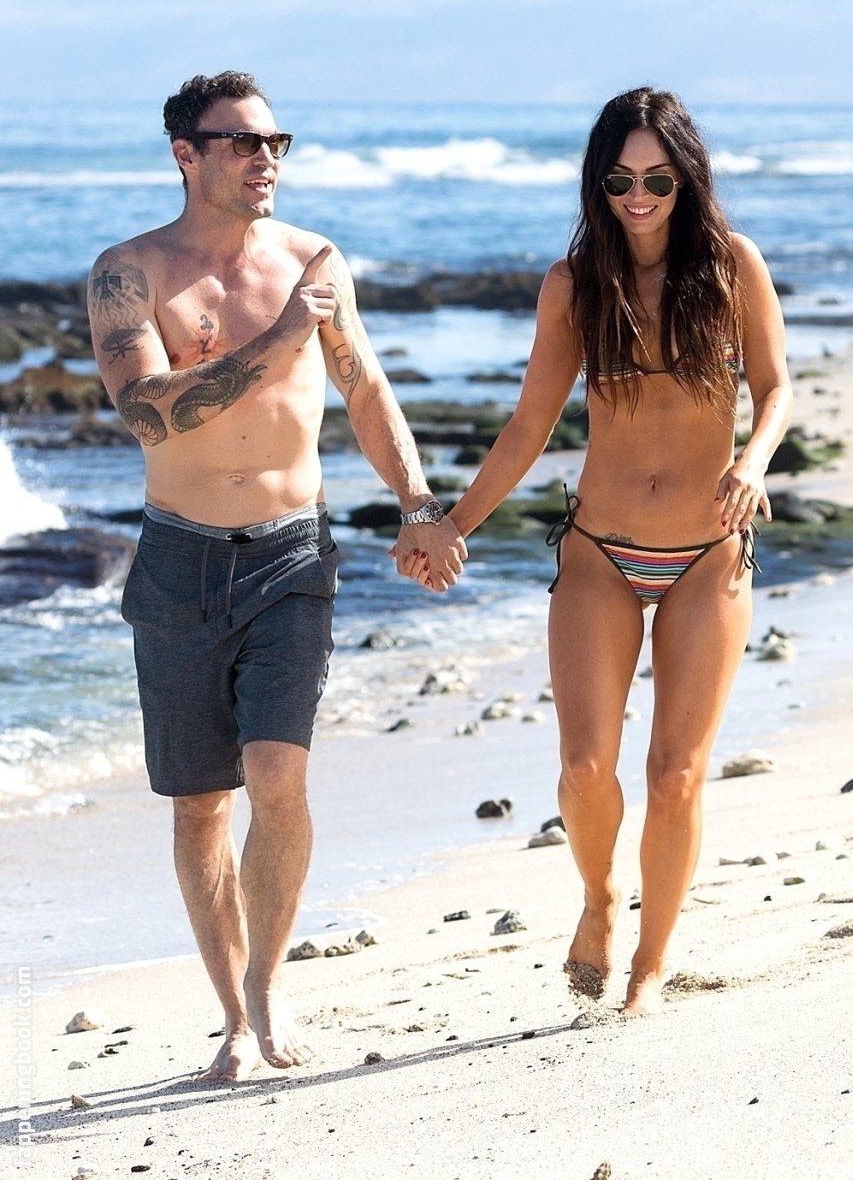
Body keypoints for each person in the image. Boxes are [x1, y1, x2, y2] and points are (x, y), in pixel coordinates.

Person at [88, 71, 466, 1080]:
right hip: (177, 558)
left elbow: (365, 387)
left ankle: (267, 986)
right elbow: (148, 409)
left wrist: (418, 503)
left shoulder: (314, 261)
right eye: (244, 142)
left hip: (293, 551)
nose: (267, 159)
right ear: (186, 154)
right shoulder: (128, 273)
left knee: (277, 773)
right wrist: (285, 334)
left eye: (276, 142)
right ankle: (229, 1015)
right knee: (201, 803)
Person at [416, 87, 792, 1015]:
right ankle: (597, 900)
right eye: (619, 180)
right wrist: (452, 524)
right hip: (599, 554)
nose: (638, 196)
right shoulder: (573, 284)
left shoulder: (733, 265)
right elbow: (527, 426)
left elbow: (776, 386)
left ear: (686, 180)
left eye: (657, 179)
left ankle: (649, 969)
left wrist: (750, 462)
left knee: (676, 774)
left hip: (708, 555)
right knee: (585, 768)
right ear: (598, 184)